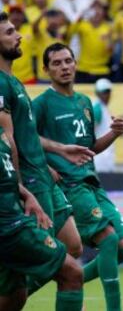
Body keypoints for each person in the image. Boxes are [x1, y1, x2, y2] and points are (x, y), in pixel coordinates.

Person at [32, 42, 123, 311]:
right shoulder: (41, 104)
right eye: (57, 63)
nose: (64, 67)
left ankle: (68, 279)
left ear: (75, 64)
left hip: (92, 182)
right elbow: (26, 139)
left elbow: (89, 149)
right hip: (69, 184)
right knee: (109, 239)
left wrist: (114, 133)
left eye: (68, 61)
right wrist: (47, 167)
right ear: (46, 69)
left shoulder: (84, 102)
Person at [0, 11, 87, 295]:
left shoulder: (13, 80)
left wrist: (59, 149)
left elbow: (25, 135)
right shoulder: (0, 83)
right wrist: (21, 188)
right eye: (10, 32)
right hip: (30, 182)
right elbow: (7, 139)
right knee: (61, 264)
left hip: (41, 175)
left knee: (72, 246)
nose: (19, 35)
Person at [0, 127, 84, 311]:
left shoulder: (2, 133)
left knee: (15, 296)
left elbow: (8, 175)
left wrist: (27, 196)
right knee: (72, 272)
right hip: (9, 228)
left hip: (13, 218)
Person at [93, 78, 116, 172]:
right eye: (104, 92)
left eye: (108, 91)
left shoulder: (103, 108)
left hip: (106, 158)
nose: (107, 95)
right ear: (98, 93)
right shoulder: (97, 108)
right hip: (99, 161)